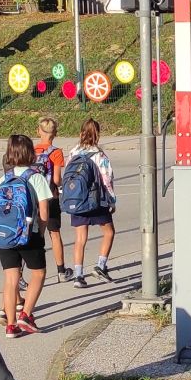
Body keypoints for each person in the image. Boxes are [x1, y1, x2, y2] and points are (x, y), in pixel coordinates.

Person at [0, 134, 53, 338]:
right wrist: (41, 232)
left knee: (10, 278)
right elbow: (44, 212)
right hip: (28, 234)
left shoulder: (3, 179)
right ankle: (26, 315)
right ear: (31, 153)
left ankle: (11, 325)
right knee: (38, 273)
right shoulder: (36, 177)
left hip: (3, 236)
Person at [65, 118, 118, 286]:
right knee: (109, 232)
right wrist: (111, 201)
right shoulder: (99, 155)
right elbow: (106, 178)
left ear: (81, 133)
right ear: (98, 135)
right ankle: (100, 266)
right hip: (96, 200)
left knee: (80, 238)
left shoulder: (73, 152)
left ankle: (78, 276)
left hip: (78, 200)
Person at [33, 117, 74, 284]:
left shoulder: (31, 151)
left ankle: (20, 274)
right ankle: (61, 271)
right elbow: (56, 179)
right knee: (54, 234)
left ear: (38, 131)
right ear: (55, 133)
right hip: (50, 197)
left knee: (31, 234)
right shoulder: (56, 152)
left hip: (33, 197)